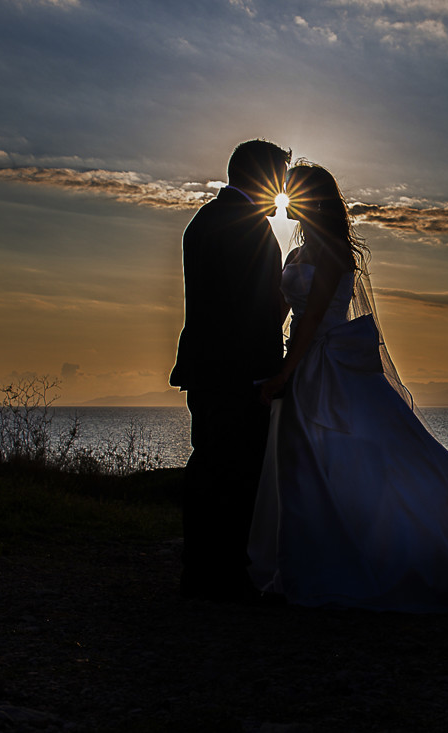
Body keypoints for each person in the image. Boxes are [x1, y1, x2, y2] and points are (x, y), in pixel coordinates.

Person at [250, 162, 448, 612]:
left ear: (313, 200)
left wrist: (285, 372)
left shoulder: (334, 254)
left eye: (295, 195)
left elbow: (312, 322)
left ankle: (425, 556)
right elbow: (283, 310)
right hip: (305, 367)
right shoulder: (295, 253)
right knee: (303, 470)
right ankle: (308, 567)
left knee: (373, 462)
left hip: (328, 368)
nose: (289, 205)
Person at [169, 139, 291, 602]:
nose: (281, 188)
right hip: (239, 372)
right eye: (278, 177)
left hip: (207, 367)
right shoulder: (246, 227)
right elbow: (252, 309)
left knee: (209, 465)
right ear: (260, 177)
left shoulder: (206, 220)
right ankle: (221, 576)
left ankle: (202, 571)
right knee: (236, 472)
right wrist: (269, 371)